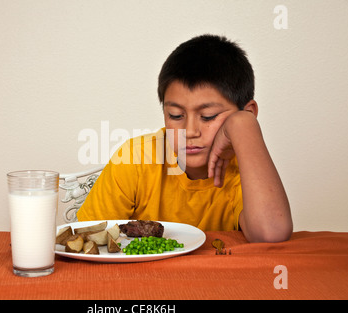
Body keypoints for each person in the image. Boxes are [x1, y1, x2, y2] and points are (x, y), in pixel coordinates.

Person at [77, 34, 293, 243]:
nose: (189, 131)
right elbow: (88, 239)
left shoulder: (244, 171)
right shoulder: (135, 159)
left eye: (208, 116)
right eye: (176, 116)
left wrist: (244, 125)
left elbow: (270, 233)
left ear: (247, 112)